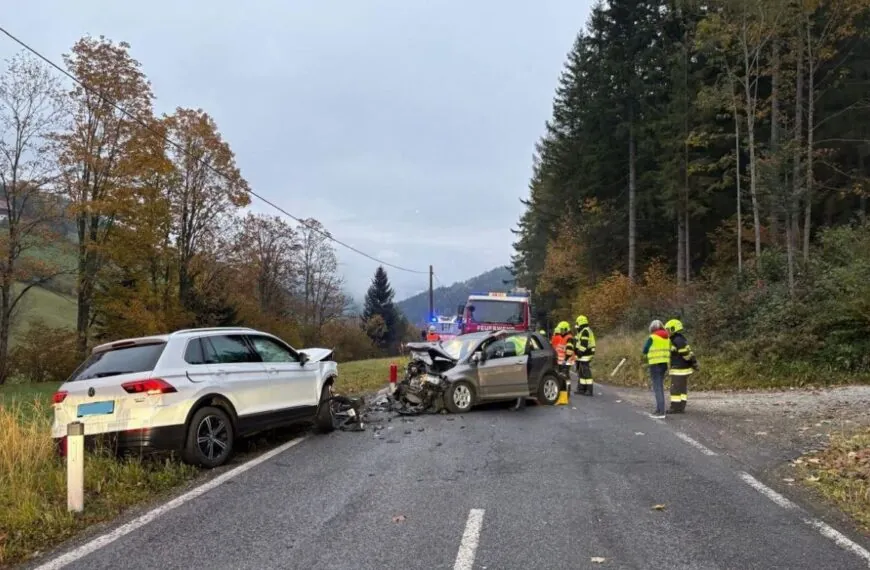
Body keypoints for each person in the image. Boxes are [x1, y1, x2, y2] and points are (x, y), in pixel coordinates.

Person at [665, 318, 699, 414]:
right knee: (682, 388)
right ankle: (681, 407)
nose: (666, 332)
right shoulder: (680, 339)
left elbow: (686, 354)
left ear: (673, 329)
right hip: (682, 368)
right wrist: (693, 363)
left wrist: (691, 362)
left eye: (668, 330)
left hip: (679, 369)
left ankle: (675, 407)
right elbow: (689, 353)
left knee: (675, 389)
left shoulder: (677, 340)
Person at [642, 320, 670, 419]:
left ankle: (661, 412)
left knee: (657, 387)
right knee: (660, 386)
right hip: (664, 364)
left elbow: (645, 350)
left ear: (652, 328)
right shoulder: (667, 337)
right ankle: (659, 409)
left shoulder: (652, 337)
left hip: (655, 364)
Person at [572, 315, 596, 397]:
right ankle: (582, 389)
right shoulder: (581, 331)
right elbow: (577, 341)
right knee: (581, 373)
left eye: (577, 323)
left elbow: (584, 345)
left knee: (586, 372)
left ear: (581, 322)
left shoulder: (585, 331)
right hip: (583, 355)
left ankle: (589, 390)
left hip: (586, 354)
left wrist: (579, 352)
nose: (576, 325)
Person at [550, 321, 572, 396]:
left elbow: (569, 351)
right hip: (563, 361)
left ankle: (567, 392)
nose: (561, 332)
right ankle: (564, 392)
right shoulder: (564, 337)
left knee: (566, 377)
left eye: (562, 330)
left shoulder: (569, 337)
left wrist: (565, 360)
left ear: (566, 329)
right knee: (563, 376)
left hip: (566, 361)